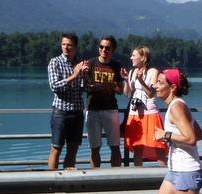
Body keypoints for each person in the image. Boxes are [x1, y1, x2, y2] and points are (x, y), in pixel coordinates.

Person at [47, 33, 87, 170]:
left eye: (69, 45)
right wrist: (74, 76)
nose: (66, 47)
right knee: (56, 148)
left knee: (72, 150)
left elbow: (83, 89)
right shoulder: (55, 62)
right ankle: (51, 183)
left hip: (77, 112)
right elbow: (54, 86)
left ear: (75, 47)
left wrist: (85, 77)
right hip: (61, 112)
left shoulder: (80, 64)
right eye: (64, 44)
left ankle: (67, 184)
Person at [120, 47, 167, 166]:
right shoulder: (132, 72)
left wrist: (140, 81)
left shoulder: (153, 72)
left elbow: (151, 93)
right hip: (135, 114)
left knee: (158, 145)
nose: (131, 58)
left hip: (150, 113)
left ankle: (164, 176)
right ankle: (138, 179)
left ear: (143, 58)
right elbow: (128, 93)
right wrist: (126, 80)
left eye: (134, 55)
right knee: (137, 148)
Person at [85, 35, 124, 168]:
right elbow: (85, 87)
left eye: (107, 48)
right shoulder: (90, 64)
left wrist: (113, 86)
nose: (104, 50)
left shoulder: (116, 66)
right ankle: (95, 179)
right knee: (94, 148)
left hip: (110, 110)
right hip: (93, 110)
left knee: (115, 147)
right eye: (101, 47)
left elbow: (120, 90)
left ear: (113, 50)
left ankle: (117, 178)